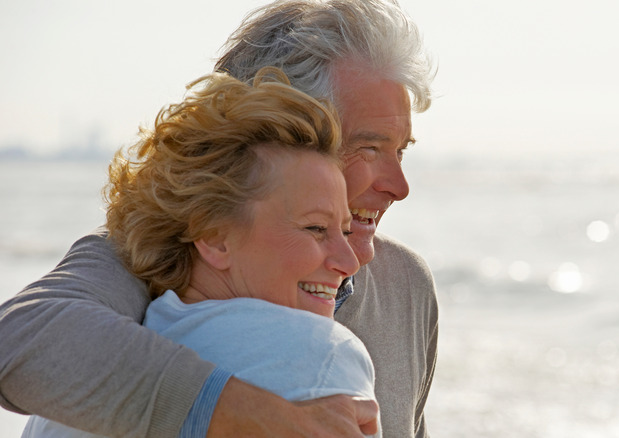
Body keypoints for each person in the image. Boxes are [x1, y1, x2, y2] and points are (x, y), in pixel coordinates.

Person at [0, 0, 437, 437]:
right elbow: (18, 343)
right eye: (368, 147)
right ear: (272, 128)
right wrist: (257, 416)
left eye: (400, 150)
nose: (400, 185)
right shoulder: (147, 250)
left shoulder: (407, 286)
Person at [21, 69, 380, 438]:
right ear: (214, 238)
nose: (349, 262)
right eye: (316, 229)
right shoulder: (320, 355)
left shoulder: (71, 387)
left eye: (346, 230)